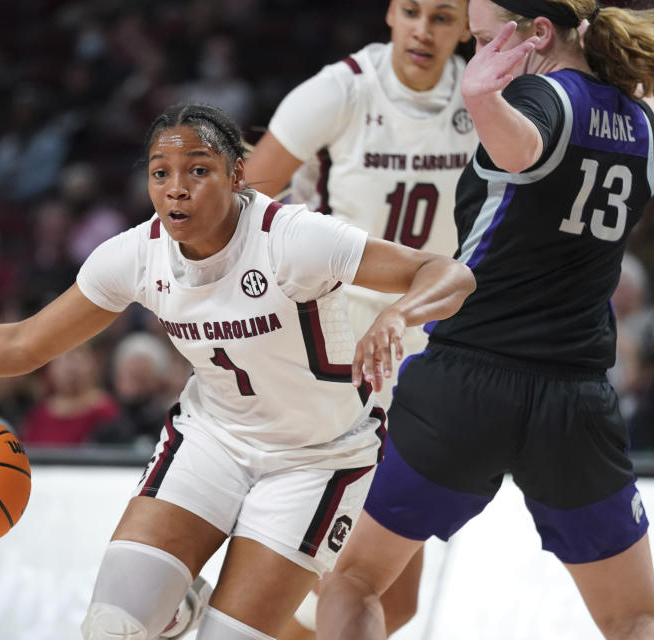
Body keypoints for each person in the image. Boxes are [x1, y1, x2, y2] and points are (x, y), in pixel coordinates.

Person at [0, 102, 474, 640]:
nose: (177, 187)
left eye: (198, 169)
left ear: (238, 174)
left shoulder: (295, 238)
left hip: (318, 460)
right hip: (212, 441)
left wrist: (399, 316)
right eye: (161, 172)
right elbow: (25, 345)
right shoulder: (136, 256)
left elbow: (446, 271)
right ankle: (172, 609)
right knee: (111, 627)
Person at [314, 1, 654, 638]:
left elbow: (527, 148)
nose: (474, 54)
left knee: (354, 582)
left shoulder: (535, 95)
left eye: (481, 39)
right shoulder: (640, 123)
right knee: (637, 617)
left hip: (467, 384)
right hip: (575, 399)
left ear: (539, 35)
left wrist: (481, 99)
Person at [244, 1, 477, 636]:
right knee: (339, 580)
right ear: (390, 15)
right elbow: (244, 199)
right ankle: (222, 611)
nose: (424, 30)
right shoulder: (340, 90)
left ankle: (209, 615)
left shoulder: (487, 97)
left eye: (442, 17)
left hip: (430, 341)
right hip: (335, 337)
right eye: (411, 12)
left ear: (467, 28)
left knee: (393, 603)